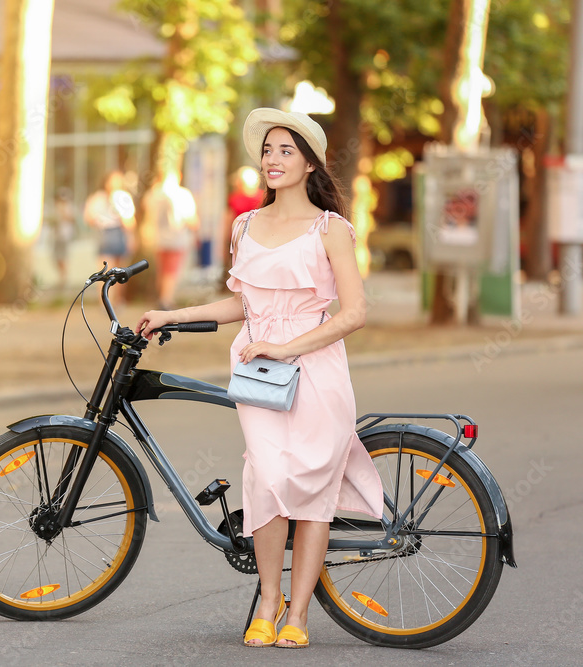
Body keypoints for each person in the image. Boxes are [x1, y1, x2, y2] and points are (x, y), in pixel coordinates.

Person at [136, 109, 382, 649]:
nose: (272, 159)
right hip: (259, 371)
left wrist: (288, 346)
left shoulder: (330, 229)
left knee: (312, 486)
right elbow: (244, 304)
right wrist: (171, 315)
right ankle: (268, 603)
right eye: (268, 150)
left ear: (310, 162)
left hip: (316, 368)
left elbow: (354, 313)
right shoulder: (246, 225)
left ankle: (298, 614)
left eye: (285, 151)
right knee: (268, 479)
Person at [142, 170, 199, 309]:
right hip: (177, 239)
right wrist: (196, 231)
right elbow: (191, 218)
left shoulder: (153, 194)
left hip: (158, 239)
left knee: (162, 270)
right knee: (172, 271)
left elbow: (146, 212)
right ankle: (166, 300)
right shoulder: (182, 194)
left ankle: (162, 297)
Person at [83, 170, 135, 270]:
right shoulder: (118, 197)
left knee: (109, 273)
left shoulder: (98, 198)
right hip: (112, 234)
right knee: (117, 274)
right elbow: (128, 222)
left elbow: (89, 218)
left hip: (110, 234)